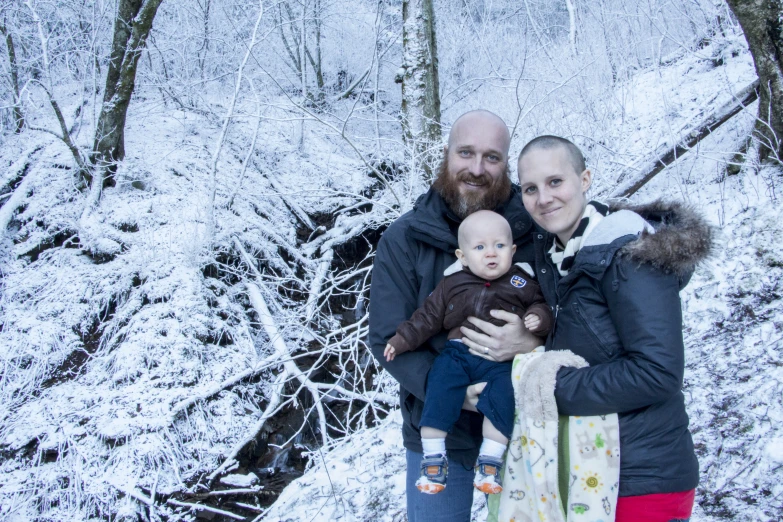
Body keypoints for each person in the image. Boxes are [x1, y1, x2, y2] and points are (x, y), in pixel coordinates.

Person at [516, 135, 710, 522]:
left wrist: (544, 386)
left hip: (642, 476)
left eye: (556, 182)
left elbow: (657, 373)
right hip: (595, 471)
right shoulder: (561, 258)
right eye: (530, 188)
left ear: (585, 179)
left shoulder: (627, 252)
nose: (543, 198)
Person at [368, 110, 540, 522]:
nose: (477, 169)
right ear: (446, 154)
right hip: (436, 427)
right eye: (466, 152)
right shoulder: (405, 237)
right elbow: (387, 335)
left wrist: (533, 340)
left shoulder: (536, 227)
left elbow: (576, 304)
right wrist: (451, 391)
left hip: (527, 426)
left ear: (507, 163)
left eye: (492, 157)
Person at [383, 210, 552, 495]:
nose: (491, 254)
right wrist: (401, 340)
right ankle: (433, 457)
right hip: (458, 354)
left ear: (512, 251)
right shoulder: (451, 284)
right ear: (462, 256)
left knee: (505, 397)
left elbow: (542, 305)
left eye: (499, 246)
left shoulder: (521, 282)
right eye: (480, 247)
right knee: (439, 385)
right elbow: (427, 317)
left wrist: (539, 319)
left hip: (500, 362)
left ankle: (490, 461)